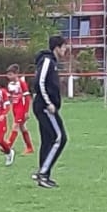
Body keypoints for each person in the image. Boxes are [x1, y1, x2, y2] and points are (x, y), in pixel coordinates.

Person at [32, 35, 71, 187]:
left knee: (47, 140)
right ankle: (43, 174)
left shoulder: (52, 62)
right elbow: (39, 82)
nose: (65, 49)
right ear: (57, 47)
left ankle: (44, 176)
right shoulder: (47, 61)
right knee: (60, 138)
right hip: (44, 107)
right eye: (64, 47)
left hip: (44, 105)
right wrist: (48, 103)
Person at [6, 64, 34, 154]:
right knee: (22, 127)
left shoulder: (21, 83)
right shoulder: (10, 84)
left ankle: (8, 146)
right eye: (8, 74)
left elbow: (27, 98)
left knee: (15, 126)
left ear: (16, 74)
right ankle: (29, 147)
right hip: (15, 108)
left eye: (10, 74)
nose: (9, 76)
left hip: (21, 108)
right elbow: (10, 97)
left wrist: (26, 111)